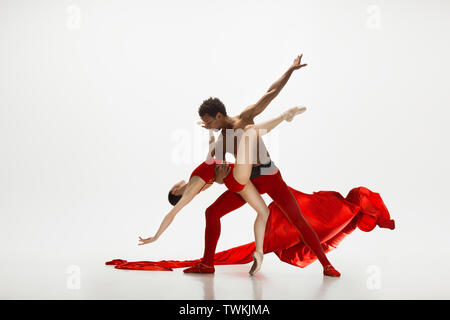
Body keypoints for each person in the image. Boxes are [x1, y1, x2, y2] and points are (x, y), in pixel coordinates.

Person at [178, 54, 340, 276]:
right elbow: (211, 170)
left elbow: (270, 94)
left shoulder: (244, 118)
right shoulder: (221, 139)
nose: (207, 126)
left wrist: (290, 70)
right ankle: (207, 264)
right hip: (247, 182)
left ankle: (327, 265)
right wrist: (213, 178)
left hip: (270, 176)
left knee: (298, 220)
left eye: (208, 122)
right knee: (212, 212)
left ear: (218, 115)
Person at [138, 106, 312, 276]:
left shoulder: (198, 184)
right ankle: (284, 116)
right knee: (249, 133)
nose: (175, 184)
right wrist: (155, 236)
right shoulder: (192, 187)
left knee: (263, 212)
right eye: (173, 187)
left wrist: (209, 133)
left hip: (237, 178)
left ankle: (257, 253)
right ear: (176, 192)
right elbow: (172, 214)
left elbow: (212, 158)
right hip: (237, 176)